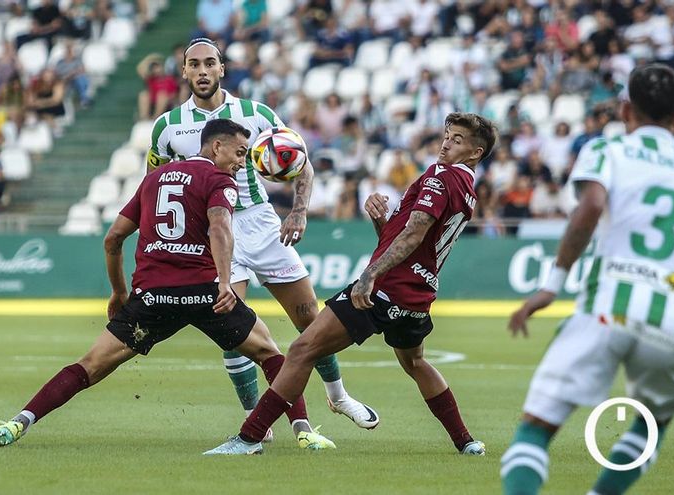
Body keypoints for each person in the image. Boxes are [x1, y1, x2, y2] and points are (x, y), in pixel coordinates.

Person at [0, 119, 335, 450]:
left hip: (152, 296)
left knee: (90, 365)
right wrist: (225, 281)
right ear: (216, 147)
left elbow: (113, 239)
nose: (243, 164)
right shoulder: (218, 181)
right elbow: (221, 227)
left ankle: (19, 423)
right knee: (271, 354)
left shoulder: (153, 178)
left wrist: (118, 291)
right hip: (203, 292)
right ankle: (304, 432)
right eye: (240, 153)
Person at [204, 112, 496, 456]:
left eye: (458, 140)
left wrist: (371, 275)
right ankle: (466, 442)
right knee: (416, 362)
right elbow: (416, 238)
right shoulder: (467, 188)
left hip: (387, 287)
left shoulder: (441, 177)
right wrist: (382, 223)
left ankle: (249, 438)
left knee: (302, 350)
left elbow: (415, 233)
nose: (447, 143)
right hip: (418, 294)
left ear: (475, 153)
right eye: (447, 135)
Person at [147, 38, 378, 436]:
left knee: (310, 318)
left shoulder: (255, 114)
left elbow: (301, 163)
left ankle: (338, 396)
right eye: (194, 65)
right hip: (213, 231)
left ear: (222, 68)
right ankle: (257, 415)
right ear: (184, 72)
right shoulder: (167, 128)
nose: (202, 71)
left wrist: (299, 210)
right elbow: (154, 182)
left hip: (262, 222)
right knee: (231, 327)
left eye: (209, 64)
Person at [502, 63, 674, 494]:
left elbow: (589, 209)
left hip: (608, 307)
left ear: (626, 110)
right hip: (673, 319)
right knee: (650, 427)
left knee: (537, 424)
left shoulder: (607, 151)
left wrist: (552, 284)